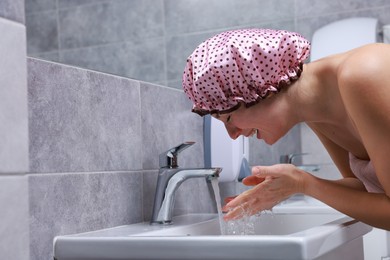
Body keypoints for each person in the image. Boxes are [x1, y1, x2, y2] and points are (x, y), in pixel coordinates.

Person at [182, 28, 390, 231]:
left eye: (228, 118)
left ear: (260, 89)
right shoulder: (316, 110)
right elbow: (361, 189)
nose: (233, 134)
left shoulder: (365, 72)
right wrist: (287, 186)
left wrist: (305, 183)